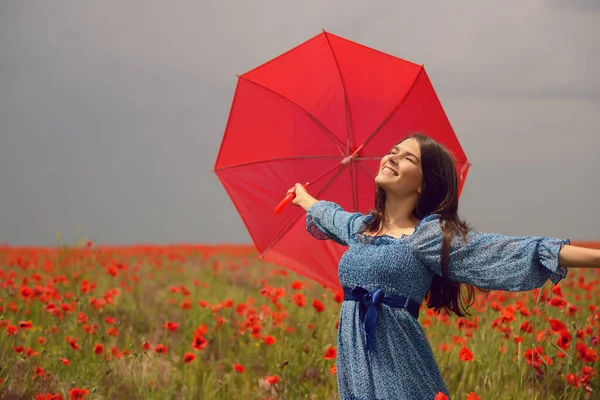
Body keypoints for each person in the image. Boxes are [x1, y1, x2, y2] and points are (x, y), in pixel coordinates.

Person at [286, 133, 600, 400]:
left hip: (400, 363)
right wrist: (303, 197)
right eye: (392, 152)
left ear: (424, 183)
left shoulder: (429, 237)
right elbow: (328, 215)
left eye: (407, 158)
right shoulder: (360, 229)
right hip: (355, 361)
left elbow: (508, 251)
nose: (392, 158)